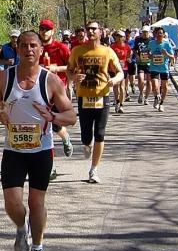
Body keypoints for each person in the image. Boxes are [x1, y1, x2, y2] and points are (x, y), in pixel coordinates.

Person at [0, 31, 76, 251]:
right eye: (24, 45)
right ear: (18, 49)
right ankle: (20, 227)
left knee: (37, 203)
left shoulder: (51, 80)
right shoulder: (5, 78)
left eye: (33, 45)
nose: (29, 50)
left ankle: (38, 249)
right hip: (13, 151)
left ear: (40, 49)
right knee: (12, 204)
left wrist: (52, 116)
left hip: (41, 151)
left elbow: (71, 116)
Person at [68, 21, 123, 184]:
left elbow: (120, 72)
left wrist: (114, 80)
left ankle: (94, 170)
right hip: (84, 97)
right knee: (86, 136)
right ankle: (87, 145)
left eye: (94, 29)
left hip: (102, 96)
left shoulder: (107, 51)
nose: (90, 31)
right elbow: (69, 70)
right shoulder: (77, 51)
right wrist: (73, 77)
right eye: (88, 29)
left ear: (100, 32)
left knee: (100, 133)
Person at [37, 19, 74, 179]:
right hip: (38, 91)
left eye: (47, 29)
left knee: (54, 127)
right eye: (41, 29)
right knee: (45, 129)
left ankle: (65, 137)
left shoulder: (61, 48)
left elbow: (72, 67)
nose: (44, 32)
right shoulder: (35, 47)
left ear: (52, 31)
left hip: (58, 91)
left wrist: (56, 68)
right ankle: (50, 167)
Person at [148, 26, 175, 112]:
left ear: (164, 35)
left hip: (164, 68)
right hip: (154, 67)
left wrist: (166, 53)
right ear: (155, 34)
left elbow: (172, 57)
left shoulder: (167, 44)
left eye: (161, 33)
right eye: (158, 33)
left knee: (165, 87)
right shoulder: (151, 43)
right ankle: (156, 96)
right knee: (155, 86)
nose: (160, 35)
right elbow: (148, 53)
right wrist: (150, 55)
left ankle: (161, 104)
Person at [110, 30, 132, 113]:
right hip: (113, 68)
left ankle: (121, 105)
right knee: (116, 86)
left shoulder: (127, 46)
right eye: (117, 36)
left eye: (120, 36)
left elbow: (130, 53)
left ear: (124, 38)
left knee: (122, 86)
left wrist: (128, 59)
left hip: (123, 68)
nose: (118, 38)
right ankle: (117, 101)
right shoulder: (112, 47)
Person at [134, 25, 152, 105]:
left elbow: (154, 50)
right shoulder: (138, 40)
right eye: (143, 32)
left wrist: (151, 54)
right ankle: (141, 93)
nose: (145, 34)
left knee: (149, 81)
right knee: (141, 79)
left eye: (146, 32)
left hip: (149, 63)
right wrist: (137, 56)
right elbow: (134, 49)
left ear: (149, 33)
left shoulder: (152, 41)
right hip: (141, 63)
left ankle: (146, 98)